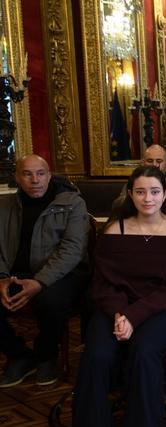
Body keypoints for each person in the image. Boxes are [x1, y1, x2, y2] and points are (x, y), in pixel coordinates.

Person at [66, 166, 166, 427]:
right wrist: (120, 314)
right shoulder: (113, 231)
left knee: (145, 351)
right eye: (140, 191)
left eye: (153, 191)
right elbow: (102, 284)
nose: (147, 198)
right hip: (112, 310)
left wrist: (134, 317)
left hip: (159, 311)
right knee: (96, 354)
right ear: (130, 194)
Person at [0, 155, 89, 387]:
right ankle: (19, 355)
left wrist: (39, 282)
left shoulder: (72, 203)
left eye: (40, 173)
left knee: (51, 301)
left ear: (49, 176)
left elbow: (72, 250)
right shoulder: (5, 206)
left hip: (60, 274)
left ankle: (46, 355)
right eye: (27, 174)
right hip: (14, 274)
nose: (35, 180)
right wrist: (0, 278)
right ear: (17, 177)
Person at [113, 144, 166, 214]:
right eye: (150, 161)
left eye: (159, 161)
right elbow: (117, 206)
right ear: (143, 163)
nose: (154, 165)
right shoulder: (134, 183)